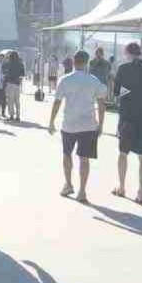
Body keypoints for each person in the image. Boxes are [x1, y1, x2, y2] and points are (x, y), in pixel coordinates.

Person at [47, 50, 106, 204]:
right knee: (84, 159)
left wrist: (51, 121)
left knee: (67, 155)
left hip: (69, 124)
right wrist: (101, 124)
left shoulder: (65, 80)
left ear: (73, 62)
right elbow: (101, 102)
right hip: (88, 125)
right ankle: (82, 191)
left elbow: (57, 102)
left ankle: (68, 184)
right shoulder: (94, 80)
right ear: (87, 63)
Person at [112, 42, 142, 206]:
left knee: (123, 153)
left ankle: (122, 187)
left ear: (127, 53)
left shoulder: (123, 69)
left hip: (127, 117)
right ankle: (140, 192)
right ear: (140, 53)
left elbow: (116, 92)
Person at [3, 51, 26, 122]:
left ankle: (11, 115)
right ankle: (18, 116)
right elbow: (23, 74)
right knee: (17, 101)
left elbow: (4, 71)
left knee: (10, 101)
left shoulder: (8, 63)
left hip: (10, 83)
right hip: (17, 84)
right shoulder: (20, 64)